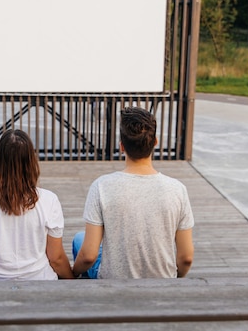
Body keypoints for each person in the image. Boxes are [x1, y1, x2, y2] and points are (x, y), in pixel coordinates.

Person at [72, 106, 194, 279]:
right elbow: (186, 258)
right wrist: (175, 279)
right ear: (155, 143)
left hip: (114, 282)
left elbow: (88, 256)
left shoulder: (101, 186)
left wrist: (71, 274)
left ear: (122, 146)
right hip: (163, 283)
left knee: (79, 239)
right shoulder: (177, 189)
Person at [0, 129, 74, 281]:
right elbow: (56, 258)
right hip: (38, 279)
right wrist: (72, 281)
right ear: (31, 162)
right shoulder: (49, 200)